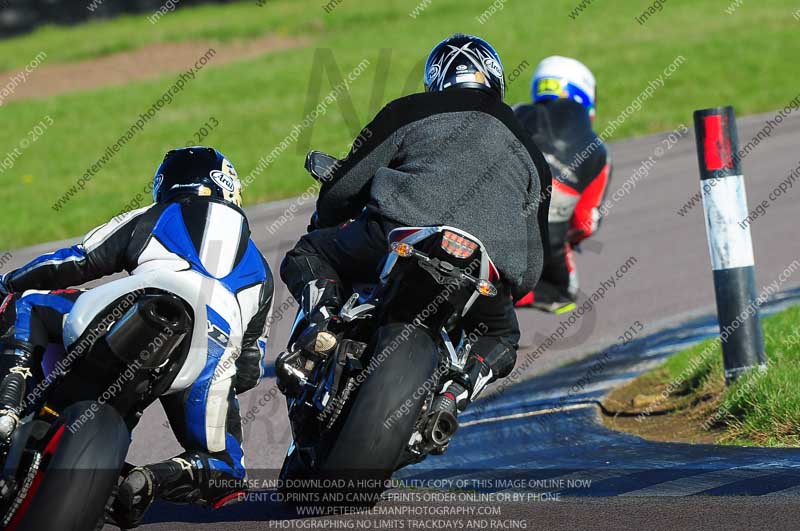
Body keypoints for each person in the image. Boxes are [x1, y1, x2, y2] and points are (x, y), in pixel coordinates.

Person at [279, 34, 551, 420]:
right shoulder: (532, 151)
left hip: (396, 234)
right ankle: (455, 394)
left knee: (308, 251)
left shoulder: (409, 109)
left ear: (436, 81)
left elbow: (345, 185)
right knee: (502, 337)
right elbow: (531, 268)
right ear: (496, 81)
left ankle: (323, 320)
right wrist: (507, 281)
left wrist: (329, 217)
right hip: (480, 268)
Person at [0, 147, 274, 527]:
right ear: (229, 187)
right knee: (227, 470)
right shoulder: (261, 269)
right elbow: (249, 370)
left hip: (141, 299)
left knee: (28, 304)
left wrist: (7, 283)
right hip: (211, 350)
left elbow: (76, 261)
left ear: (166, 186)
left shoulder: (157, 213)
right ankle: (151, 478)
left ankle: (7, 407)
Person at [513, 56, 611, 314]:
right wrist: (574, 236)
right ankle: (514, 298)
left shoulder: (513, 112)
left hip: (488, 205)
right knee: (566, 291)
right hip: (546, 242)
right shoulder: (597, 148)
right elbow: (585, 222)